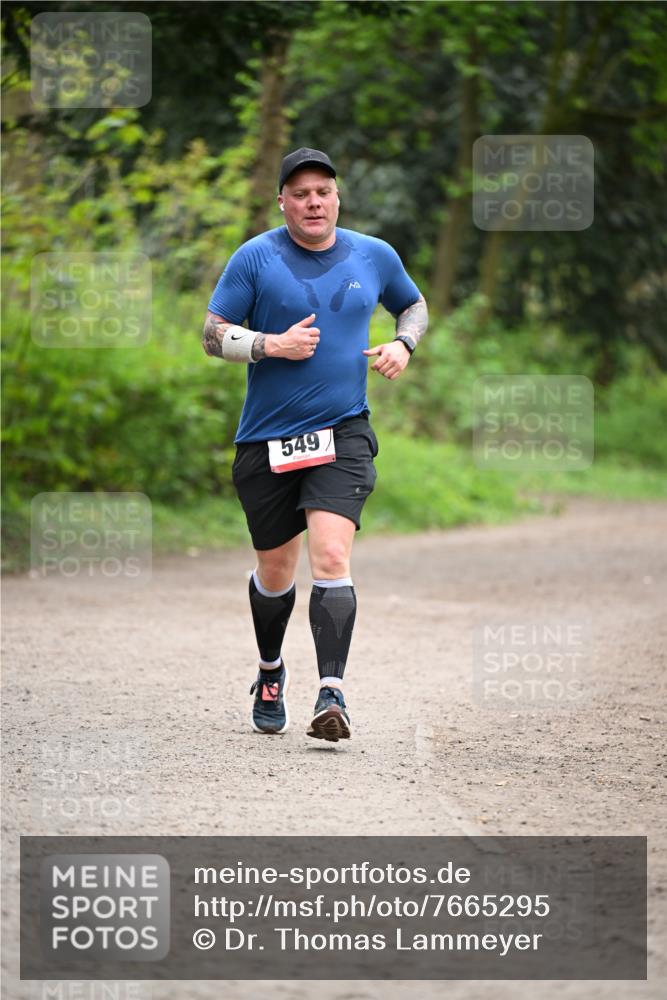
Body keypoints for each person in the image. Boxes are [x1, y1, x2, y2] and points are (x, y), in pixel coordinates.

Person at [203, 147, 428, 742]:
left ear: (336, 198)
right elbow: (210, 333)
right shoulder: (256, 257)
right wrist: (268, 346)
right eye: (300, 193)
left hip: (343, 432)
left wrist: (404, 344)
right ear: (283, 201)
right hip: (267, 440)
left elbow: (414, 304)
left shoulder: (372, 254)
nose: (312, 202)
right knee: (276, 573)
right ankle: (271, 670)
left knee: (330, 557)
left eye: (322, 191)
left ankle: (333, 694)